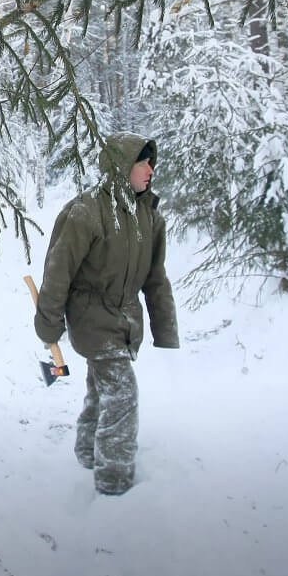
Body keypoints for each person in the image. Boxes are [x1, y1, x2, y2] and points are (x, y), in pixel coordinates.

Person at [33, 134, 180, 496]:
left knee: (103, 388)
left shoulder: (150, 216)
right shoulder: (86, 211)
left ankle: (88, 451)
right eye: (142, 163)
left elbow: (156, 278)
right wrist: (49, 322)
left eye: (151, 163)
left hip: (125, 319)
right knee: (122, 393)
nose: (150, 170)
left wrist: (165, 329)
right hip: (90, 316)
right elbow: (58, 270)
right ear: (121, 167)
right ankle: (113, 480)